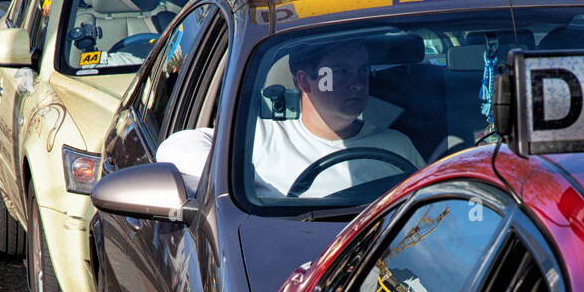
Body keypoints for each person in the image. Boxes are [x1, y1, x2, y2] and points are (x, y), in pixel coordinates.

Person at [156, 37, 422, 199]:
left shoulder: (397, 145)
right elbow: (175, 147)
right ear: (305, 81)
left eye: (363, 71)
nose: (357, 84)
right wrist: (253, 187)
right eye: (340, 72)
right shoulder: (259, 137)